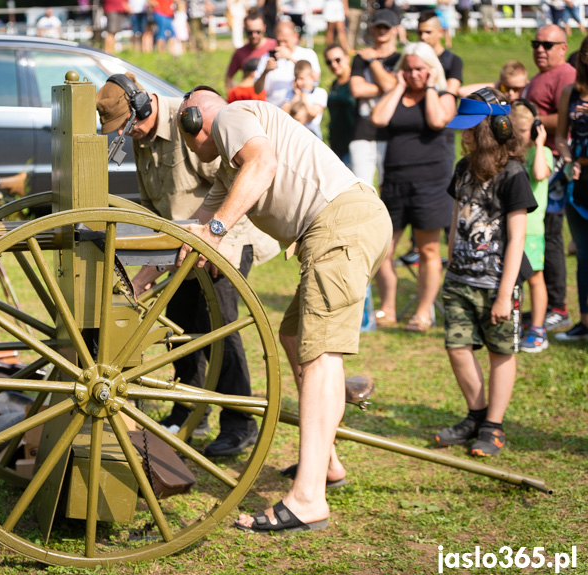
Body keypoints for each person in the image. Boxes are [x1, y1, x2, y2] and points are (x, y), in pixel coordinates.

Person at [176, 90, 391, 533]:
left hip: (340, 225)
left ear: (195, 118)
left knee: (319, 355)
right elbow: (192, 226)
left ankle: (309, 499)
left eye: (185, 128)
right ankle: (326, 464)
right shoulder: (230, 163)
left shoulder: (230, 117)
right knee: (294, 337)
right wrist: (140, 279)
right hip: (340, 225)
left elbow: (263, 167)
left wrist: (217, 230)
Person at [95, 75, 280, 455]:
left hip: (224, 240)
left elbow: (237, 181)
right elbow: (152, 209)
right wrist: (147, 265)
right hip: (178, 249)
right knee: (181, 329)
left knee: (218, 330)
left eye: (130, 125)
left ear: (145, 106)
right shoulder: (143, 138)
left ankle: (238, 422)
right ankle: (189, 411)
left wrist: (221, 240)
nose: (129, 136)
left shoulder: (191, 123)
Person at [435, 89, 536, 457]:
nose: (465, 135)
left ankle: (493, 427)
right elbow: (455, 219)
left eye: (471, 128)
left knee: (500, 352)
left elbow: (518, 236)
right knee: (457, 347)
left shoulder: (513, 175)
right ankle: (475, 416)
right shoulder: (463, 168)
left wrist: (505, 290)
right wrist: (450, 266)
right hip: (460, 280)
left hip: (496, 283)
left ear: (495, 127)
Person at [370, 42, 455, 331]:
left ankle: (423, 312)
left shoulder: (444, 96)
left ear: (432, 69)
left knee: (429, 250)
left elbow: (436, 120)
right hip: (394, 181)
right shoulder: (396, 94)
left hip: (432, 183)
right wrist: (397, 86)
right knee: (382, 249)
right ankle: (389, 307)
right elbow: (378, 118)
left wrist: (431, 87)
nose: (414, 74)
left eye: (420, 68)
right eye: (409, 68)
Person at [524, 25, 576, 332]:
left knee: (551, 236)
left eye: (547, 44)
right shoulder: (540, 76)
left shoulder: (565, 75)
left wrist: (528, 119)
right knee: (540, 235)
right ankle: (544, 305)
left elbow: (565, 118)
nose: (540, 49)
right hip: (536, 163)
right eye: (536, 43)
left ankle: (558, 306)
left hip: (554, 163)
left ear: (562, 47)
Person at [511, 99, 553, 351]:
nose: (519, 137)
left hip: (533, 230)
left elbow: (539, 174)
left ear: (536, 129)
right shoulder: (511, 157)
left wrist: (538, 144)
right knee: (514, 280)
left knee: (535, 278)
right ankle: (516, 322)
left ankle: (538, 328)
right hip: (513, 229)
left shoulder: (543, 153)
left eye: (524, 131)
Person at [553, 36, 588, 341]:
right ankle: (585, 323)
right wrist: (568, 160)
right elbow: (561, 137)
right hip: (579, 183)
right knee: (584, 255)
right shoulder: (570, 93)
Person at [349, 8, 400, 187]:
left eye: (386, 27)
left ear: (396, 29)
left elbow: (391, 86)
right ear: (372, 29)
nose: (382, 31)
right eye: (378, 27)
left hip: (391, 133)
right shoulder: (359, 58)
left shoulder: (400, 59)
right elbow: (357, 89)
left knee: (389, 187)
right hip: (362, 132)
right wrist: (392, 86)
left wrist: (373, 62)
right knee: (362, 189)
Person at [253, 20, 321, 107]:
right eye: (278, 41)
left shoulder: (308, 54)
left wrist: (291, 59)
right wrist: (265, 72)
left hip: (299, 110)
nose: (282, 45)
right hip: (275, 110)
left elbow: (315, 79)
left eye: (285, 41)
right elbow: (257, 90)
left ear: (296, 37)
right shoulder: (267, 57)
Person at [224, 12, 276, 90]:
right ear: (245, 29)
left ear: (264, 28)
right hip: (250, 99)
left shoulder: (274, 46)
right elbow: (228, 77)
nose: (254, 35)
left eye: (258, 32)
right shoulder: (240, 52)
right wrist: (232, 96)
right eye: (250, 32)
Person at [417, 10, 463, 96]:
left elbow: (450, 93)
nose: (423, 37)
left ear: (440, 32)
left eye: (428, 32)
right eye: (420, 33)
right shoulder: (414, 60)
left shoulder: (453, 61)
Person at [325, 43, 356, 164]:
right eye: (329, 62)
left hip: (352, 143)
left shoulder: (355, 82)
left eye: (337, 60)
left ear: (347, 58)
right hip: (336, 143)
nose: (334, 64)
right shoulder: (334, 84)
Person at [282, 60, 327, 139]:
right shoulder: (291, 93)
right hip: (293, 133)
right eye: (297, 78)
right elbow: (283, 113)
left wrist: (304, 95)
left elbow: (312, 114)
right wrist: (296, 96)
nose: (299, 82)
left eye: (302, 79)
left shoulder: (320, 93)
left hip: (312, 132)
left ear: (311, 77)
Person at [459, 60, 529, 101]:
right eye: (506, 88)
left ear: (526, 84)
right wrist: (496, 86)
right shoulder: (498, 90)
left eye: (517, 89)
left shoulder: (531, 96)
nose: (511, 93)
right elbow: (461, 91)